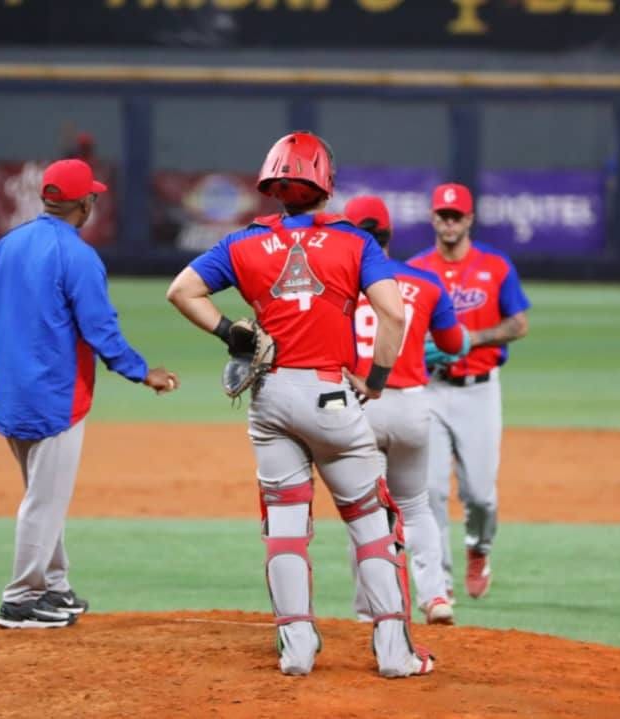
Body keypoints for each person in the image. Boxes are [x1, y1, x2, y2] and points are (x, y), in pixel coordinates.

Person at [166, 131, 434, 677]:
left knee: (285, 525)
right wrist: (377, 379)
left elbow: (181, 292)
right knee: (370, 522)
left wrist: (231, 333)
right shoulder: (355, 243)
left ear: (273, 186)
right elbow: (393, 314)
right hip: (331, 396)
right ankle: (394, 653)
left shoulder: (242, 243)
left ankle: (297, 651)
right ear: (326, 183)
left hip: (269, 398)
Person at [0, 158, 179, 629]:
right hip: (55, 398)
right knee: (44, 501)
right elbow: (100, 328)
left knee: (43, 494)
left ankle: (53, 586)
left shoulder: (5, 246)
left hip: (11, 393)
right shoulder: (77, 256)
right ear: (85, 203)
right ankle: (20, 599)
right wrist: (143, 372)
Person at [345, 195, 468, 626]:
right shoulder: (425, 282)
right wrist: (427, 343)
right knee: (416, 506)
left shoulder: (339, 285)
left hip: (360, 405)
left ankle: (371, 611)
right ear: (389, 234)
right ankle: (435, 597)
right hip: (412, 405)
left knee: (366, 512)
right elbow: (454, 344)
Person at [408, 183, 530, 601]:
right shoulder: (416, 269)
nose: (449, 222)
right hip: (430, 389)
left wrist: (470, 338)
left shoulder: (495, 266)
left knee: (480, 494)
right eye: (443, 215)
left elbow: (518, 324)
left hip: (479, 392)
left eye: (456, 216)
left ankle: (479, 548)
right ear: (432, 218)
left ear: (469, 219)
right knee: (431, 490)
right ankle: (439, 586)